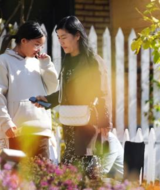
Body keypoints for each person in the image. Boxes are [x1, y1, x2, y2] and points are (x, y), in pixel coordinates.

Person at [34, 16, 111, 173]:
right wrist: (47, 100)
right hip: (70, 122)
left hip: (88, 122)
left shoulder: (93, 61)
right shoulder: (68, 61)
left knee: (81, 167)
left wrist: (105, 122)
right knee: (73, 169)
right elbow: (66, 93)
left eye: (64, 37)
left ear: (77, 35)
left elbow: (103, 92)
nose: (61, 42)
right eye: (59, 38)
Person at [0, 21, 58, 159]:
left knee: (42, 177)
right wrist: (6, 123)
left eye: (42, 45)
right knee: (18, 177)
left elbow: (52, 88)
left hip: (42, 130)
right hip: (16, 131)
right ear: (24, 41)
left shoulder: (39, 63)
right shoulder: (2, 61)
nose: (39, 49)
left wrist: (47, 65)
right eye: (36, 44)